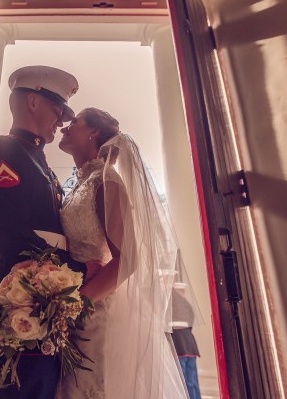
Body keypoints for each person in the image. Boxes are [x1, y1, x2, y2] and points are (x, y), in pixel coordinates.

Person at [0, 65, 93, 399]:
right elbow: (11, 234)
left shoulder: (39, 160)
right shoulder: (4, 151)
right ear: (32, 102)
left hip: (45, 300)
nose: (62, 120)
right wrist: (76, 271)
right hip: (19, 301)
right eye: (58, 110)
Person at [55, 108, 189, 399]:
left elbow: (128, 259)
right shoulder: (79, 184)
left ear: (93, 133)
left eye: (74, 122)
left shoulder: (107, 182)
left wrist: (77, 306)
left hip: (96, 312)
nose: (65, 127)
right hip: (78, 306)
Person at [171, 283, 202, 399]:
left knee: (183, 380)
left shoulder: (171, 303)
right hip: (190, 344)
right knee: (192, 381)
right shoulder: (186, 305)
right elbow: (191, 321)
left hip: (179, 345)